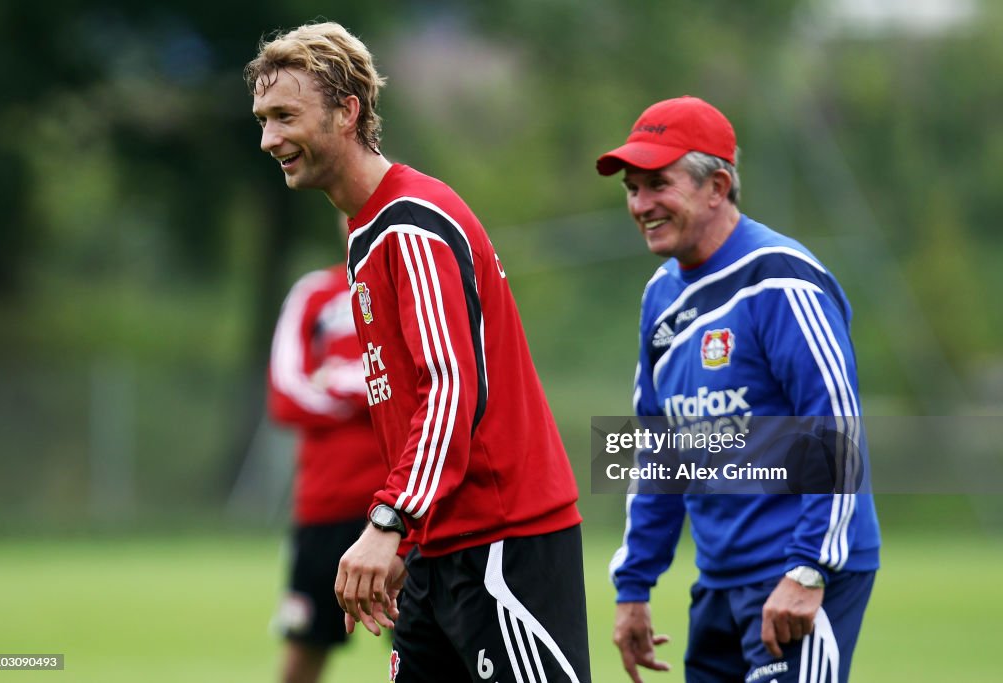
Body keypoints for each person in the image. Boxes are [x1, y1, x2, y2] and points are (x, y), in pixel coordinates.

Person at [246, 21, 591, 683]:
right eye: (263, 119)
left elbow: (450, 385)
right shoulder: (367, 234)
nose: (269, 139)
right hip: (438, 545)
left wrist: (388, 518)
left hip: (499, 539)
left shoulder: (411, 222)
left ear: (347, 111)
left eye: (285, 116)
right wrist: (410, 531)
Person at [596, 96, 880, 683]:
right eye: (632, 188)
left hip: (797, 581)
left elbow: (834, 424)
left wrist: (809, 569)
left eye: (658, 184)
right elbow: (657, 453)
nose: (641, 204)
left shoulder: (781, 279)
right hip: (720, 584)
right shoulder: (659, 296)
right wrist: (634, 584)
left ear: (717, 185)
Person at [267, 256, 389, 683]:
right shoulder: (315, 292)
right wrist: (373, 390)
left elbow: (433, 387)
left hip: (407, 506)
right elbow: (285, 394)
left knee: (428, 648)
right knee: (305, 645)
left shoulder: (414, 281)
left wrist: (336, 378)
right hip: (327, 507)